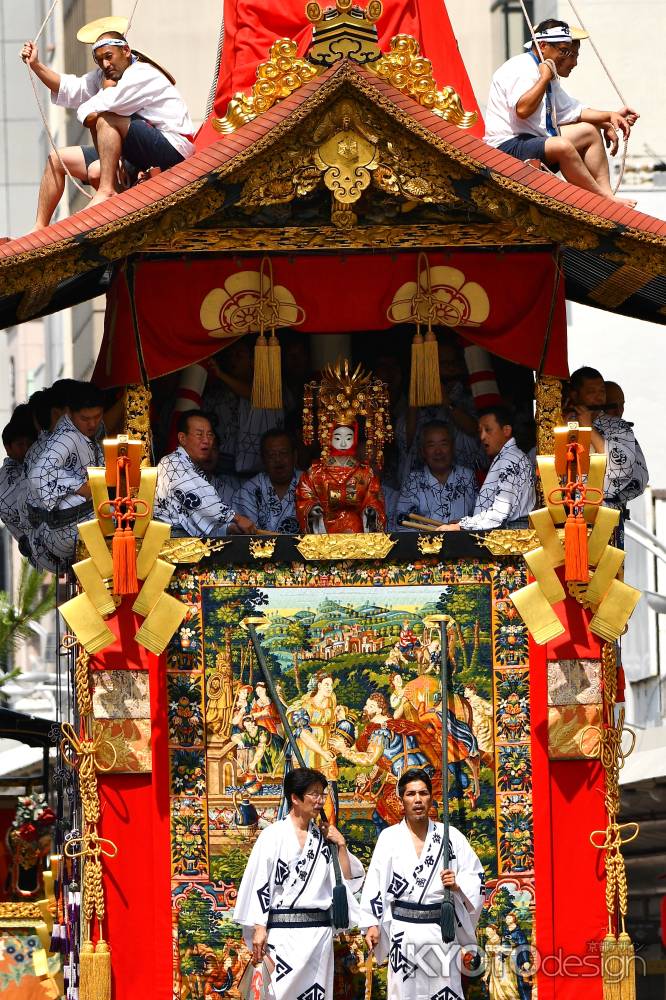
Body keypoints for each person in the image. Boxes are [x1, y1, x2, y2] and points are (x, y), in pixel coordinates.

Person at [21, 28, 195, 227]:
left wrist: (103, 93)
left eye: (109, 56)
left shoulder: (140, 74)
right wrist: (36, 65)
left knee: (106, 119)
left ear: (127, 51)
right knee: (57, 160)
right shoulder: (103, 76)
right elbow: (69, 88)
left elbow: (97, 107)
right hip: (136, 150)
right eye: (100, 59)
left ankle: (107, 190)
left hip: (172, 148)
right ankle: (39, 228)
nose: (105, 64)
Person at [233, 767, 364, 1000]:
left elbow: (345, 883)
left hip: (317, 936)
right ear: (295, 797)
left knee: (316, 994)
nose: (320, 800)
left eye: (322, 794)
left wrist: (341, 845)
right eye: (313, 794)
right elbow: (260, 883)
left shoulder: (324, 838)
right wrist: (260, 928)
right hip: (282, 935)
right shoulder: (273, 836)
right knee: (278, 993)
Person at [484, 19, 639, 205]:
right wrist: (544, 79)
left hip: (533, 140)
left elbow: (574, 111)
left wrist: (610, 117)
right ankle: (603, 199)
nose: (571, 61)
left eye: (572, 54)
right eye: (565, 52)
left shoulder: (546, 71)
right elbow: (523, 110)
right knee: (562, 146)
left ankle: (608, 194)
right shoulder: (520, 67)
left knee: (588, 131)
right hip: (506, 147)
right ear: (543, 46)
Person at [360, 768, 484, 1000]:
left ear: (431, 797)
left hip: (440, 931)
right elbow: (375, 882)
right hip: (402, 932)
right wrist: (372, 924)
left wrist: (457, 885)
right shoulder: (389, 838)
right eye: (411, 794)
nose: (417, 800)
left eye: (423, 793)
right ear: (401, 799)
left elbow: (475, 877)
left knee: (444, 992)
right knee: (404, 993)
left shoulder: (451, 836)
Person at [27, 382, 106, 568]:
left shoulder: (80, 432)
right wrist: (79, 486)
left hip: (74, 523)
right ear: (69, 413)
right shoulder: (67, 436)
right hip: (65, 527)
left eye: (97, 416)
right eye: (85, 418)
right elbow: (38, 475)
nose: (93, 423)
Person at [154, 410, 255, 537]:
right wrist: (236, 518)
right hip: (168, 541)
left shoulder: (194, 469)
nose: (206, 440)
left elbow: (197, 522)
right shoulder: (171, 462)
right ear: (182, 438)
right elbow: (197, 500)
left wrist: (228, 529)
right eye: (199, 434)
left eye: (210, 434)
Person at [438, 406, 535, 532]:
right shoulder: (513, 456)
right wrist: (466, 522)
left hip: (511, 536)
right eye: (480, 431)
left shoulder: (509, 459)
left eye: (488, 430)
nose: (482, 436)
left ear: (506, 430)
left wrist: (462, 525)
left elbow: (499, 513)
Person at [565, 367, 648, 511]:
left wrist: (589, 428)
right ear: (575, 394)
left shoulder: (618, 426)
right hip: (562, 507)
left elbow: (621, 467)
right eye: (591, 392)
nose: (599, 397)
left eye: (602, 392)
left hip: (604, 511)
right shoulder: (559, 422)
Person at [296, 422, 386, 533]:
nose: (343, 444)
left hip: (357, 535)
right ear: (328, 437)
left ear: (355, 439)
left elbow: (373, 500)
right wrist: (313, 513)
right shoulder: (315, 473)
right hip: (325, 535)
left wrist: (370, 513)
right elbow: (305, 498)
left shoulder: (366, 473)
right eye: (337, 438)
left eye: (348, 438)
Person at [397, 421, 477, 527]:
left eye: (444, 444)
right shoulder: (413, 480)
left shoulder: (467, 476)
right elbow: (402, 521)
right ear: (423, 451)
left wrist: (465, 526)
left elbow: (481, 517)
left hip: (463, 541)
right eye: (431, 445)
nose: (438, 451)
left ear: (453, 447)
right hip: (425, 542)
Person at [234, 429, 301, 534]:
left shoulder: (309, 483)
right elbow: (243, 533)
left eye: (283, 453)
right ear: (263, 459)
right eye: (271, 455)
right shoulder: (249, 490)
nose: (278, 459)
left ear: (295, 456)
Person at [0, 417, 35, 548]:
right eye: (20, 444)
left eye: (29, 443)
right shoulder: (4, 480)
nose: (26, 448)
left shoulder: (34, 464)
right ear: (8, 448)